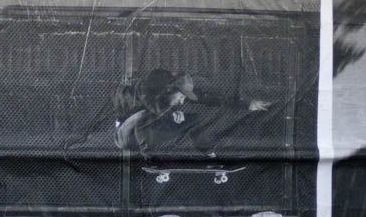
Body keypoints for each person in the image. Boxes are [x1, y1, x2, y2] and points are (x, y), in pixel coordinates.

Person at [114, 68, 271, 159]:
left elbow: (210, 98)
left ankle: (208, 154)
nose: (182, 102)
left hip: (146, 133)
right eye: (181, 97)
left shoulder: (175, 93)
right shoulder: (145, 88)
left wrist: (247, 104)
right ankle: (151, 157)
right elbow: (151, 105)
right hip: (124, 135)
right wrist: (170, 114)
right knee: (146, 114)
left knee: (193, 119)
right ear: (170, 90)